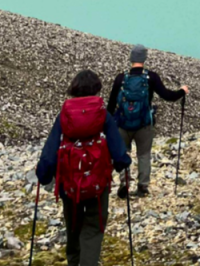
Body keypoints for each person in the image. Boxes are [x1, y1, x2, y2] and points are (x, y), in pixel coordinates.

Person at [36, 69, 131, 266]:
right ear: (96, 89)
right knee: (94, 226)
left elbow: (50, 149)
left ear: (74, 89)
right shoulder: (102, 114)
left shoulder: (64, 115)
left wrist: (43, 175)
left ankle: (74, 261)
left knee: (73, 225)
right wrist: (123, 164)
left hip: (69, 183)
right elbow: (117, 148)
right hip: (98, 182)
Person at [107, 44, 189, 198]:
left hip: (123, 124)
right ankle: (142, 187)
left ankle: (124, 183)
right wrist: (182, 91)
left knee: (123, 153)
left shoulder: (121, 78)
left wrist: (108, 124)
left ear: (131, 58)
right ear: (144, 58)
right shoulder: (151, 77)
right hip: (144, 124)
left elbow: (111, 105)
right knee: (143, 154)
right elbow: (167, 96)